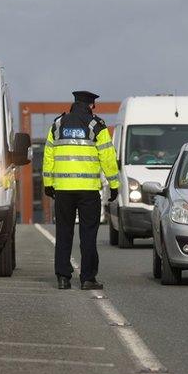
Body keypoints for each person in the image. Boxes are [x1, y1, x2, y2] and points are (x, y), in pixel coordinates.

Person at [43, 91, 120, 290]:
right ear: (91, 106)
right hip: (87, 191)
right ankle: (87, 278)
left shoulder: (58, 125)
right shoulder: (97, 126)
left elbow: (48, 155)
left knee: (63, 233)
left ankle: (62, 277)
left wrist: (48, 183)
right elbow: (108, 158)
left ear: (74, 103)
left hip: (63, 190)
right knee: (88, 235)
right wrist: (114, 185)